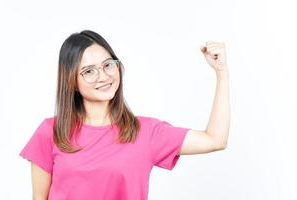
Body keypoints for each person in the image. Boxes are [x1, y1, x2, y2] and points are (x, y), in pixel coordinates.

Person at [19, 30, 230, 200]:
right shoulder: (51, 132)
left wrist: (221, 73)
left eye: (108, 64)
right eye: (89, 71)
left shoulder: (146, 132)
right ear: (71, 81)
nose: (103, 76)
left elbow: (215, 139)